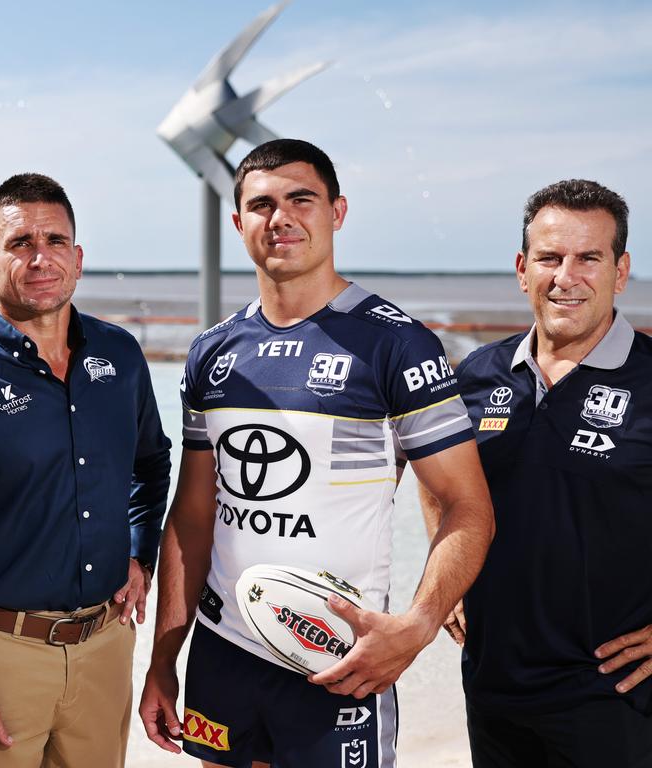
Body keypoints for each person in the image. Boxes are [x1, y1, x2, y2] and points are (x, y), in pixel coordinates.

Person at [139, 138, 495, 768]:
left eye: (301, 199)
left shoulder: (397, 344)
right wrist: (164, 658)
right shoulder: (212, 352)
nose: (281, 218)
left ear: (338, 211)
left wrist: (415, 628)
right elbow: (193, 516)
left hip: (342, 655)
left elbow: (468, 506)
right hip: (223, 653)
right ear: (238, 223)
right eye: (262, 204)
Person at [0, 173, 171, 768]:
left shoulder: (120, 356)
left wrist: (140, 552)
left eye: (56, 241)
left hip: (105, 647)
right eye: (20, 243)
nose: (41, 258)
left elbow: (150, 462)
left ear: (78, 258)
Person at [420, 179, 652, 767]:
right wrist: (444, 568)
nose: (565, 276)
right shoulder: (476, 373)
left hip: (617, 695)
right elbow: (435, 474)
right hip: (493, 685)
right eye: (549, 257)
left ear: (621, 271)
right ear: (523, 269)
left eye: (589, 258)